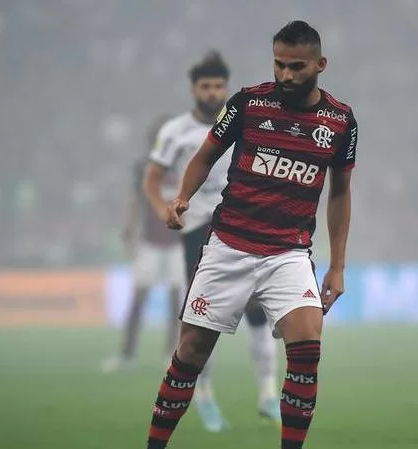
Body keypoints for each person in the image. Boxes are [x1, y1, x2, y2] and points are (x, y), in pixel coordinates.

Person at [145, 20, 356, 449]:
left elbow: (340, 193)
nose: (285, 75)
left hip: (288, 253)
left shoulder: (340, 121)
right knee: (189, 354)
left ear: (320, 64)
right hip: (228, 246)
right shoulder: (248, 103)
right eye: (279, 64)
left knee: (307, 348)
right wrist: (182, 197)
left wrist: (337, 267)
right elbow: (205, 155)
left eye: (296, 66)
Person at [144, 50, 282, 431]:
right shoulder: (175, 131)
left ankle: (268, 394)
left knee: (258, 309)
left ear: (226, 87)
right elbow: (152, 178)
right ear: (193, 89)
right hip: (198, 230)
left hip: (242, 225)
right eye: (205, 86)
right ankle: (204, 397)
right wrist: (163, 208)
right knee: (203, 319)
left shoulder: (244, 123)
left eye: (219, 86)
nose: (212, 92)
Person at [101, 114, 185, 374]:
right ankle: (127, 354)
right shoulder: (144, 167)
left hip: (178, 243)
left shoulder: (185, 165)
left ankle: (171, 355)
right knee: (139, 298)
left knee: (176, 301)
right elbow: (134, 200)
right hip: (150, 242)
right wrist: (127, 231)